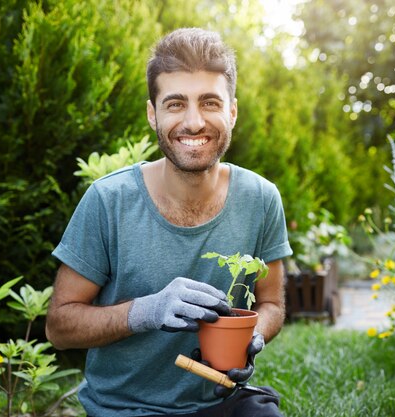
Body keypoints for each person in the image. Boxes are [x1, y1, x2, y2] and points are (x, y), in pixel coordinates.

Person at [45, 27, 292, 417]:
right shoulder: (108, 201)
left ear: (232, 111)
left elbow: (272, 303)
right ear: (152, 114)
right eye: (175, 104)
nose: (194, 123)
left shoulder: (261, 198)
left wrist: (254, 335)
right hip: (124, 409)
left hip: (222, 400)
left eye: (209, 102)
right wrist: (147, 311)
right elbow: (59, 327)